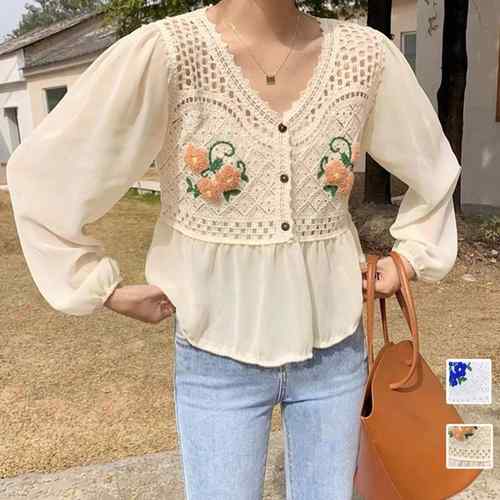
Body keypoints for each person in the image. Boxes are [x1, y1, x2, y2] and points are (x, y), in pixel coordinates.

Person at [6, 0, 462, 498]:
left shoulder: (364, 56)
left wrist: (411, 256)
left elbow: (434, 164)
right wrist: (100, 287)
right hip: (215, 356)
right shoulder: (168, 53)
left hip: (335, 352)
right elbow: (46, 172)